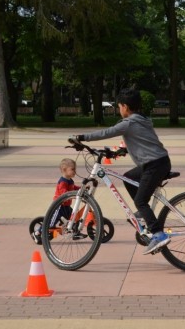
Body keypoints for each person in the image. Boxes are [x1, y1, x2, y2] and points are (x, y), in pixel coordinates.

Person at [69, 88, 172, 255]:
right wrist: (119, 151)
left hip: (154, 165)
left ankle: (158, 234)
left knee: (140, 201)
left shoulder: (129, 123)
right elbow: (142, 141)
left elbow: (106, 132)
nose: (119, 109)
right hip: (159, 162)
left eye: (119, 106)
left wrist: (81, 137)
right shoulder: (142, 120)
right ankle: (143, 215)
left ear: (125, 106)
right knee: (128, 178)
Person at [30, 158, 80, 244]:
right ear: (64, 169)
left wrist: (81, 189)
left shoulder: (70, 181)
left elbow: (73, 188)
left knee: (73, 218)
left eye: (75, 169)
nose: (74, 171)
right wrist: (74, 194)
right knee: (51, 223)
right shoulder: (62, 182)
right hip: (59, 206)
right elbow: (64, 193)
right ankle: (37, 233)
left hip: (67, 206)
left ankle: (74, 232)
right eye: (72, 169)